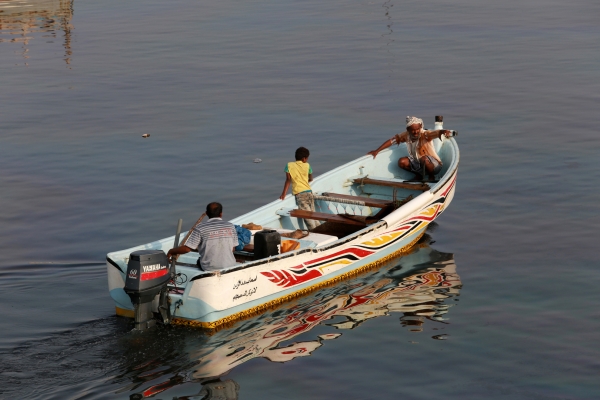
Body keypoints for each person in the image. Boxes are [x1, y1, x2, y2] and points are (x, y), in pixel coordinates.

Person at [367, 116, 454, 181]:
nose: (415, 132)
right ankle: (419, 175)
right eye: (413, 130)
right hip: (420, 165)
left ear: (420, 127)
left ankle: (431, 177)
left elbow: (434, 133)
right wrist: (377, 151)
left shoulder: (425, 134)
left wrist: (442, 132)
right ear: (408, 129)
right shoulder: (406, 135)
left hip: (434, 166)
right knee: (401, 162)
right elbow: (391, 141)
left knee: (423, 159)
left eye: (417, 129)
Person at [167, 202, 237, 271]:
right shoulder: (230, 226)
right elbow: (232, 249)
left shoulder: (200, 227)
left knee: (199, 260)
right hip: (230, 265)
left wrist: (171, 251)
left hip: (209, 267)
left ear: (206, 213)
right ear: (221, 214)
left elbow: (187, 249)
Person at [279, 146, 319, 230]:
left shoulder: (289, 165)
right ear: (304, 159)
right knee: (313, 215)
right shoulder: (307, 165)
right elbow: (311, 179)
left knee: (308, 219)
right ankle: (321, 231)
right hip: (309, 193)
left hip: (300, 195)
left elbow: (288, 180)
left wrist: (283, 194)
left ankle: (316, 234)